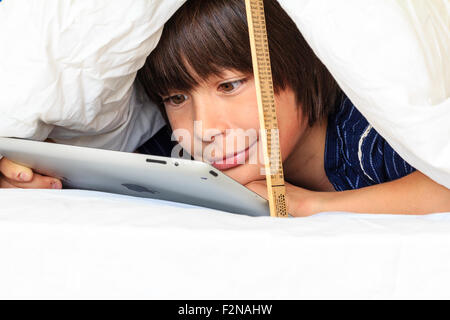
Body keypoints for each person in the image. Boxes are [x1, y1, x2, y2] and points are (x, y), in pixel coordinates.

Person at [136, 0, 450, 216]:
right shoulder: (174, 151)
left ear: (300, 66)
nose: (204, 128)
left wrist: (310, 205)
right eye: (176, 98)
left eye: (229, 85)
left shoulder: (369, 136)